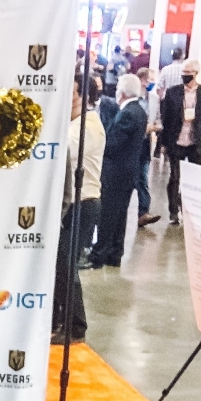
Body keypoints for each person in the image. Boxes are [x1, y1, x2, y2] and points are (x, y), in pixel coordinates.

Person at [52, 72, 106, 343]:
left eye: (71, 92)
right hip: (75, 204)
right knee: (61, 265)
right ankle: (60, 320)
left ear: (83, 97)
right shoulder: (76, 124)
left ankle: (76, 326)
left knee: (66, 265)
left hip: (82, 204)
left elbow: (61, 149)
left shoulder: (87, 127)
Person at [88, 74, 148, 269]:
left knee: (108, 214)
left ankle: (99, 254)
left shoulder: (127, 113)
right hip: (127, 172)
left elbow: (112, 144)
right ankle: (115, 253)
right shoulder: (139, 110)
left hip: (116, 173)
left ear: (122, 92)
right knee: (120, 215)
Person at [161, 58, 201, 224]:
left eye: (188, 73)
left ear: (196, 73)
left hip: (195, 141)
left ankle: (189, 209)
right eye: (183, 73)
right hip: (175, 140)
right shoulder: (173, 92)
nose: (185, 75)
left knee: (194, 179)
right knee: (174, 177)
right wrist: (163, 143)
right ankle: (173, 212)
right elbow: (166, 119)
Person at [136, 67, 161, 227]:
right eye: (150, 80)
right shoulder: (133, 97)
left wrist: (155, 127)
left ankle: (143, 212)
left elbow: (158, 118)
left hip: (145, 143)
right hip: (132, 143)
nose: (152, 83)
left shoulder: (154, 98)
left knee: (143, 178)